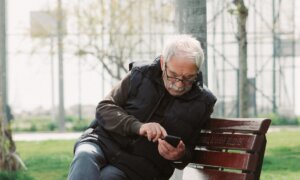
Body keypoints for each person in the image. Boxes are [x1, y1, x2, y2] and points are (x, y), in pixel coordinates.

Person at [68, 34, 216, 180]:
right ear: (163, 62)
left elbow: (189, 151)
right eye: (173, 74)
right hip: (102, 143)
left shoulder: (204, 102)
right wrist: (138, 126)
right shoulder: (140, 74)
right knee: (84, 156)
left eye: (188, 78)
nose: (178, 84)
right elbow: (105, 108)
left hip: (138, 168)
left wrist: (179, 156)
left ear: (197, 72)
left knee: (108, 177)